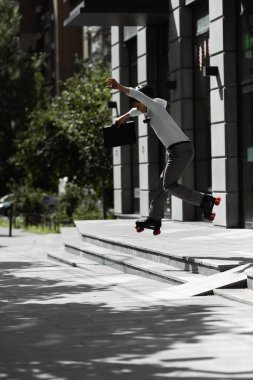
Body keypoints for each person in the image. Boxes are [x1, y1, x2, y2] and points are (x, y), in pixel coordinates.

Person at [106, 77, 221, 232]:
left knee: (168, 185)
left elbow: (138, 96)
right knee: (162, 184)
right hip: (176, 151)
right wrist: (123, 117)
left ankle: (205, 201)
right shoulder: (148, 110)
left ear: (146, 101)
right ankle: (154, 218)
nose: (135, 105)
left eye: (137, 102)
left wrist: (119, 87)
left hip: (181, 150)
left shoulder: (155, 107)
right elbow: (135, 110)